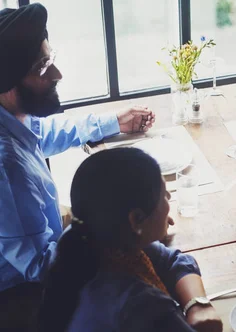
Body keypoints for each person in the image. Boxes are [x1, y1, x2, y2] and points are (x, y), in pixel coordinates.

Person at [0, 3, 155, 329]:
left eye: (51, 59)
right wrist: (114, 238)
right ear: (8, 83)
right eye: (44, 67)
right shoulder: (6, 168)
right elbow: (40, 266)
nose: (58, 74)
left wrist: (113, 121)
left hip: (57, 257)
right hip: (27, 300)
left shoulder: (12, 117)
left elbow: (42, 133)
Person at [38, 148, 222, 332]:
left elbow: (174, 260)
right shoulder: (143, 307)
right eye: (163, 193)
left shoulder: (86, 237)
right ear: (136, 220)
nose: (169, 197)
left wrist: (197, 304)